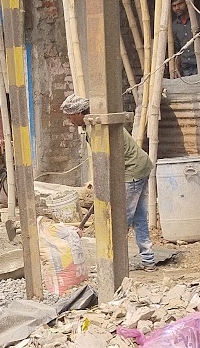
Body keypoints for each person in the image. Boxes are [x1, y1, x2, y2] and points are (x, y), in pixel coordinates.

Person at [60, 94, 155, 268]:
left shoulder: (95, 128)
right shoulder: (97, 123)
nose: (69, 120)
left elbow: (103, 160)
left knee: (121, 220)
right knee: (139, 218)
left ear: (80, 112)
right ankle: (147, 260)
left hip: (131, 171)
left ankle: (114, 263)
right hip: (140, 167)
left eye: (70, 115)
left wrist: (102, 184)